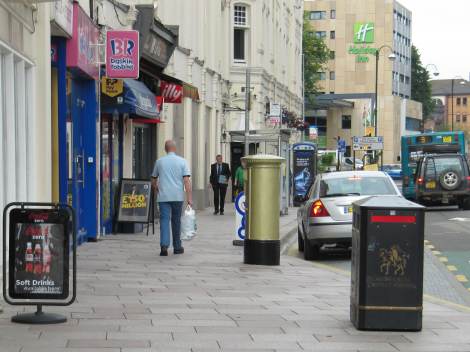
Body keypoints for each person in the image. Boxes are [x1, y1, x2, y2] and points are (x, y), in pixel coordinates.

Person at [151, 140, 192, 256]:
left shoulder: (159, 162)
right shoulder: (182, 161)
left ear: (165, 149)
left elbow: (153, 179)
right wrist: (189, 198)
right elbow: (186, 180)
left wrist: (156, 188)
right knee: (176, 221)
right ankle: (177, 247)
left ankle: (164, 246)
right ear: (175, 148)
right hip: (177, 196)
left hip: (163, 197)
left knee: (164, 220)